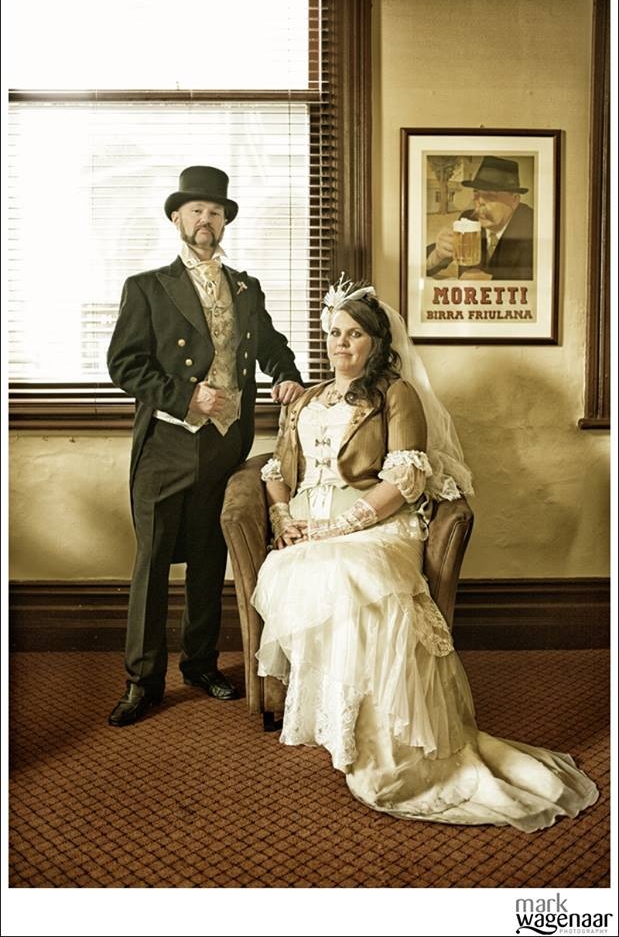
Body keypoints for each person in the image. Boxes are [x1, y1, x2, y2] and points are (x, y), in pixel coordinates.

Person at [250, 276, 598, 830]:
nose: (341, 344)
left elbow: (405, 478)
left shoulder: (396, 394)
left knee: (352, 572)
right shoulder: (308, 399)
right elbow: (275, 469)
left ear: (376, 342)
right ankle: (342, 730)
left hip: (377, 525)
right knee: (302, 568)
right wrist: (283, 519)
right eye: (335, 333)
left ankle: (390, 752)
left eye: (354, 334)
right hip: (308, 528)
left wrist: (338, 527)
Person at [107, 166, 304, 726]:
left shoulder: (246, 287)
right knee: (152, 563)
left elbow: (270, 345)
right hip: (167, 444)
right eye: (196, 210)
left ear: (224, 222)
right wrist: (187, 395)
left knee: (208, 557)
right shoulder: (147, 287)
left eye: (215, 212)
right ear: (177, 217)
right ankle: (143, 680)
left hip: (223, 444)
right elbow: (124, 365)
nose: (205, 219)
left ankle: (199, 664)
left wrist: (286, 374)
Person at [426, 156, 534, 280]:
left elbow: (540, 281)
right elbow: (416, 268)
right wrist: (437, 255)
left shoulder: (533, 225)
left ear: (514, 201)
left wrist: (492, 282)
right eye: (476, 195)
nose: (479, 203)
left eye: (490, 196)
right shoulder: (469, 220)